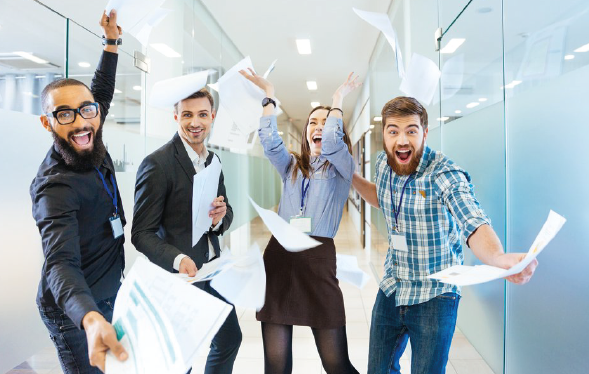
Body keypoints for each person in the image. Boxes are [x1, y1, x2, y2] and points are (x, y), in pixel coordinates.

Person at [351, 96, 538, 374]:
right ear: (385, 135)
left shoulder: (444, 173)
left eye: (411, 131)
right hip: (393, 285)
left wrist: (497, 257)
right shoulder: (383, 164)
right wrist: (349, 177)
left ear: (425, 133)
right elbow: (381, 197)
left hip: (435, 295)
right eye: (393, 131)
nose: (402, 140)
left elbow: (472, 219)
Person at [239, 69, 361, 374]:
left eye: (326, 121)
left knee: (336, 363)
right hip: (279, 259)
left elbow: (332, 143)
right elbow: (269, 140)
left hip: (317, 261)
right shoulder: (292, 166)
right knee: (276, 366)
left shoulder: (342, 166)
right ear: (305, 131)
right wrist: (268, 93)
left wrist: (337, 100)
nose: (319, 127)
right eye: (313, 123)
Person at [30, 10, 128, 374]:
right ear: (48, 123)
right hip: (73, 311)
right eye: (64, 115)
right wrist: (89, 319)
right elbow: (60, 263)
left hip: (106, 288)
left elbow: (100, 89)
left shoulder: (90, 130)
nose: (81, 122)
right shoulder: (54, 187)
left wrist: (112, 42)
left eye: (87, 110)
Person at [131, 88, 241, 374]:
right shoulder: (158, 164)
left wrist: (219, 218)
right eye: (188, 115)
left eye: (203, 114)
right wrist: (178, 260)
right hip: (178, 278)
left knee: (230, 338)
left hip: (211, 271)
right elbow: (141, 233)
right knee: (182, 359)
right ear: (176, 116)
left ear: (212, 117)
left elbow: (226, 213)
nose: (196, 122)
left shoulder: (213, 160)